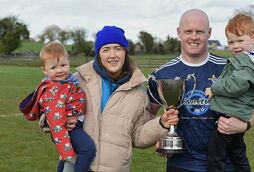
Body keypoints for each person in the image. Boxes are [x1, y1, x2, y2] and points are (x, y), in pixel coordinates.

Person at [148, 9, 254, 172]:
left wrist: (244, 125)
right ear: (179, 32)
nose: (194, 37)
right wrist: (157, 136)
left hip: (225, 163)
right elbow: (148, 113)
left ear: (209, 33)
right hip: (181, 164)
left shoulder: (229, 68)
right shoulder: (161, 74)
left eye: (199, 31)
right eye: (188, 31)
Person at [64, 25, 179, 172]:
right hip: (76, 165)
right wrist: (50, 120)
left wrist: (161, 124)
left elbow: (137, 136)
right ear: (99, 54)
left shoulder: (138, 92)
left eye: (118, 48)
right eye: (106, 49)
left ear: (125, 52)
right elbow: (47, 105)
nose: (112, 55)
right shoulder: (78, 81)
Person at [205, 13, 254, 172]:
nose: (235, 46)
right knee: (237, 152)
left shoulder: (246, 63)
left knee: (215, 154)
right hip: (238, 113)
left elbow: (234, 86)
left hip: (230, 115)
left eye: (240, 40)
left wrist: (214, 88)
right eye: (231, 42)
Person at [19, 40, 96, 172]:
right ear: (44, 70)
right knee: (88, 149)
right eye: (53, 68)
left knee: (66, 158)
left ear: (69, 62)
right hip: (69, 129)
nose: (59, 70)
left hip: (75, 126)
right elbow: (56, 123)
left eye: (63, 65)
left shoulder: (68, 81)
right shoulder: (53, 90)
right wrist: (65, 148)